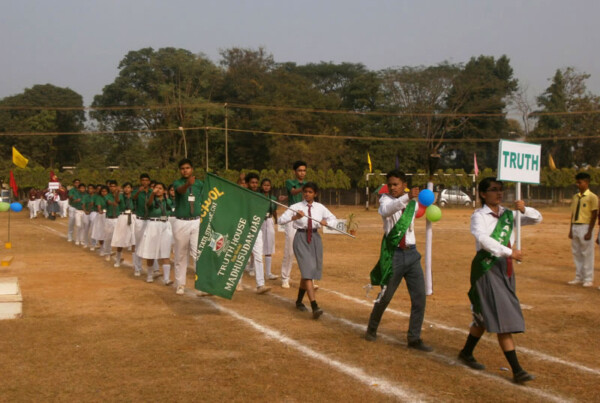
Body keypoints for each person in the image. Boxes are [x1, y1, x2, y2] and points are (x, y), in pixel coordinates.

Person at [457, 177, 542, 384]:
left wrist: (524, 209)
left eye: (501, 190)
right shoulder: (479, 216)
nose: (499, 193)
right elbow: (484, 240)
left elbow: (537, 219)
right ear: (483, 194)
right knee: (503, 317)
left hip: (506, 268)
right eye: (494, 190)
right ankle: (517, 370)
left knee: (483, 316)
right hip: (487, 268)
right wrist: (508, 252)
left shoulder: (508, 214)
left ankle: (466, 353)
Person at [364, 170, 432, 352]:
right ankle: (372, 327)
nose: (392, 187)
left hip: (412, 253)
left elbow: (418, 212)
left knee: (419, 299)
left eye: (396, 184)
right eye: (390, 184)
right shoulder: (385, 200)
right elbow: (388, 210)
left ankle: (414, 337)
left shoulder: (412, 204)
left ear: (404, 184)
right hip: (394, 254)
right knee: (386, 296)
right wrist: (407, 197)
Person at [278, 182, 337, 319]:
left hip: (315, 238)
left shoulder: (320, 207)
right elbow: (281, 220)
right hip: (301, 238)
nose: (307, 194)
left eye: (310, 192)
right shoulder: (296, 207)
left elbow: (333, 219)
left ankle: (299, 301)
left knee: (307, 272)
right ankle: (315, 305)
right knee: (307, 271)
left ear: (315, 194)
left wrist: (327, 223)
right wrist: (295, 217)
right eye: (305, 192)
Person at [172, 159, 203, 296]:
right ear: (180, 170)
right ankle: (180, 284)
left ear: (192, 169)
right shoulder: (178, 183)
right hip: (181, 222)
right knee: (180, 254)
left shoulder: (200, 184)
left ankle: (201, 284)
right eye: (183, 168)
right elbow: (180, 190)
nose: (185, 170)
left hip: (196, 221)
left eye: (188, 168)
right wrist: (187, 184)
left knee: (197, 253)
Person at [136, 183, 173, 284]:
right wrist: (152, 194)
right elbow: (148, 204)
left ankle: (166, 279)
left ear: (164, 191)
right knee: (150, 252)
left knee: (165, 252)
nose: (158, 190)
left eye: (160, 188)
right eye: (156, 188)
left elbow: (171, 210)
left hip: (165, 224)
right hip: (153, 224)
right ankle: (149, 275)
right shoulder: (151, 199)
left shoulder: (168, 201)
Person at [278, 161, 307, 288]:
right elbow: (294, 192)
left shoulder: (307, 184)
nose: (302, 173)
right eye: (300, 170)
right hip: (292, 216)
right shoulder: (290, 182)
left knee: (306, 251)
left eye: (304, 170)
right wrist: (306, 189)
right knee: (289, 250)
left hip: (305, 216)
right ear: (295, 172)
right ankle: (285, 278)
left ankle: (308, 279)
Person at [242, 173, 272, 294]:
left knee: (258, 256)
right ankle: (238, 283)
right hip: (243, 229)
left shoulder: (261, 196)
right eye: (252, 182)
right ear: (248, 183)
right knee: (241, 255)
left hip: (256, 229)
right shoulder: (242, 194)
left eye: (256, 182)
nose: (254, 185)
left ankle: (260, 285)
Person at [568, 172, 598, 287]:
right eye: (577, 182)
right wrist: (571, 229)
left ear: (586, 182)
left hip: (585, 226)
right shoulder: (575, 197)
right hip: (576, 225)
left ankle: (588, 278)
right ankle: (578, 276)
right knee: (577, 253)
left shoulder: (592, 197)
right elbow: (573, 213)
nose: (578, 184)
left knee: (587, 253)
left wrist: (590, 231)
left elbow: (594, 214)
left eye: (579, 182)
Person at [111, 182, 136, 268]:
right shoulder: (121, 196)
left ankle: (135, 264)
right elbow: (117, 200)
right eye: (125, 187)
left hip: (132, 216)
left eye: (129, 187)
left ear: (131, 189)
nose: (127, 189)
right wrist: (117, 192)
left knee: (133, 240)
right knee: (120, 240)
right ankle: (118, 259)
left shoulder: (134, 196)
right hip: (123, 216)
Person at [132, 174, 152, 277]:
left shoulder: (152, 192)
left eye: (146, 180)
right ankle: (137, 268)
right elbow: (133, 198)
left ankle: (153, 269)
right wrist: (139, 191)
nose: (144, 182)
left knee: (151, 244)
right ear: (140, 181)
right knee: (138, 244)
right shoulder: (137, 192)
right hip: (140, 220)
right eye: (143, 180)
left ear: (149, 181)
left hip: (150, 220)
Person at [260, 178, 279, 281]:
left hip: (269, 220)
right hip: (260, 221)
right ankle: (253, 267)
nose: (266, 187)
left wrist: (276, 220)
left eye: (268, 185)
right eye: (264, 185)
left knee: (269, 245)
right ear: (261, 186)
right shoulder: (258, 196)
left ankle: (268, 272)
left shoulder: (273, 198)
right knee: (258, 244)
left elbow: (275, 210)